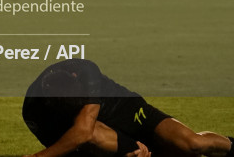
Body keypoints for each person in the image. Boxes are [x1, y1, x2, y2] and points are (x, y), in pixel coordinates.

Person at [23, 59, 234, 157]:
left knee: (193, 144)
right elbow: (79, 141)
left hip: (126, 110)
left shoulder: (85, 71)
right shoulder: (35, 113)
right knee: (91, 133)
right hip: (100, 134)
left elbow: (82, 131)